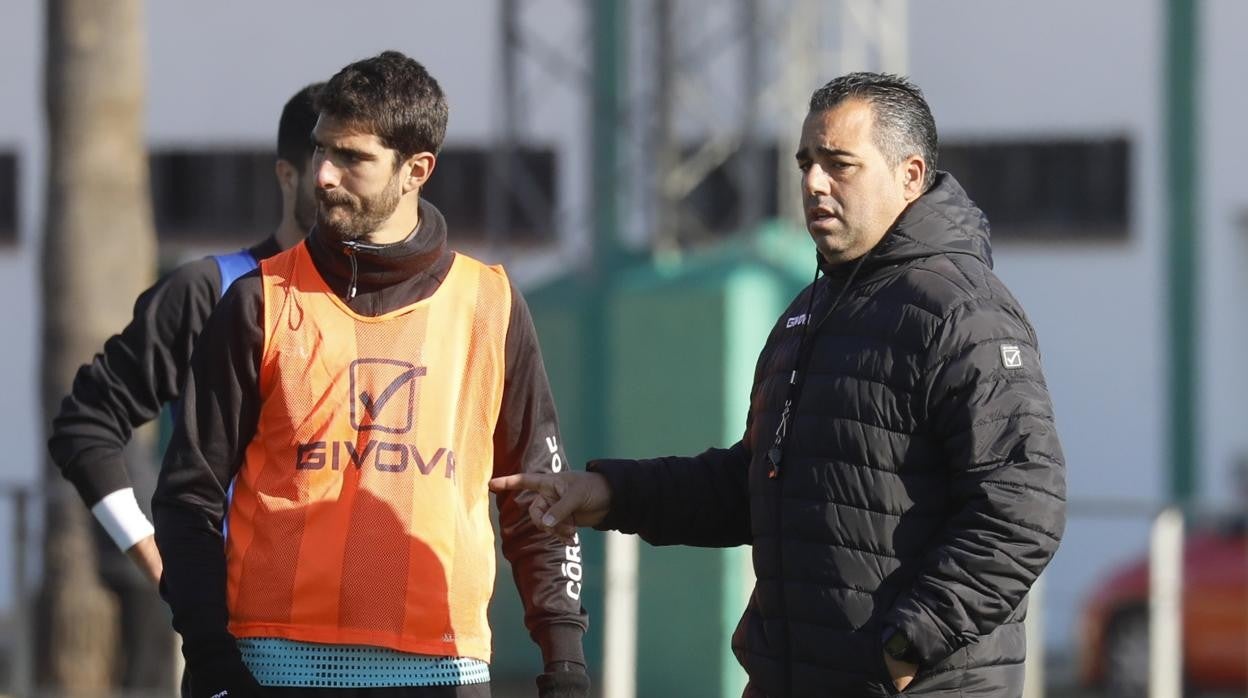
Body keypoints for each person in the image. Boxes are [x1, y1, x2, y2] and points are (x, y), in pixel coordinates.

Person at [491, 72, 1067, 697]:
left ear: (910, 175)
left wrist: (913, 639)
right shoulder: (808, 312)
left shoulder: (962, 311)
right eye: (806, 163)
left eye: (839, 164)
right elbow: (756, 486)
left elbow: (1023, 506)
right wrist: (609, 492)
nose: (814, 183)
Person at [153, 51, 590, 698]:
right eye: (319, 151)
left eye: (352, 158)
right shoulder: (258, 301)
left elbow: (539, 499)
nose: (323, 176)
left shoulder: (490, 305)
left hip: (445, 671)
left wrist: (565, 661)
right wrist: (214, 661)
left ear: (417, 170)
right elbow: (186, 499)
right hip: (268, 671)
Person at [46, 81, 324, 691]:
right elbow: (86, 424)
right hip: (239, 653)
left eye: (358, 160)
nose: (338, 181)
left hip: (369, 649)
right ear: (286, 174)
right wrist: (159, 560)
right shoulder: (210, 289)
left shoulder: (399, 311)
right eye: (323, 161)